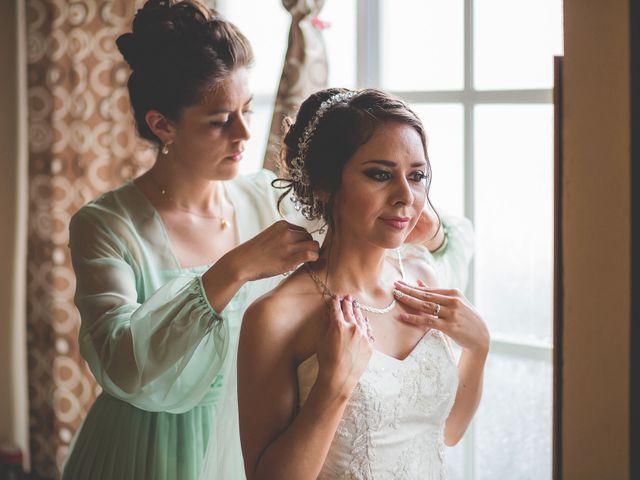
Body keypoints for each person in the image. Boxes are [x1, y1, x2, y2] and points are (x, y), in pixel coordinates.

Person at [62, 2, 471, 479]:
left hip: (256, 431)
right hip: (149, 447)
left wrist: (423, 218)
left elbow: (366, 227)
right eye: (219, 120)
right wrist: (233, 269)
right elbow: (123, 364)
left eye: (247, 109)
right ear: (162, 124)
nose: (243, 133)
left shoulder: (263, 198)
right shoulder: (107, 225)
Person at [235, 88, 490, 479]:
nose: (406, 196)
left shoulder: (421, 279)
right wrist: (333, 387)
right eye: (380, 175)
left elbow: (445, 434)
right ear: (324, 183)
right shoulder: (276, 316)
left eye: (417, 175)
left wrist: (478, 346)